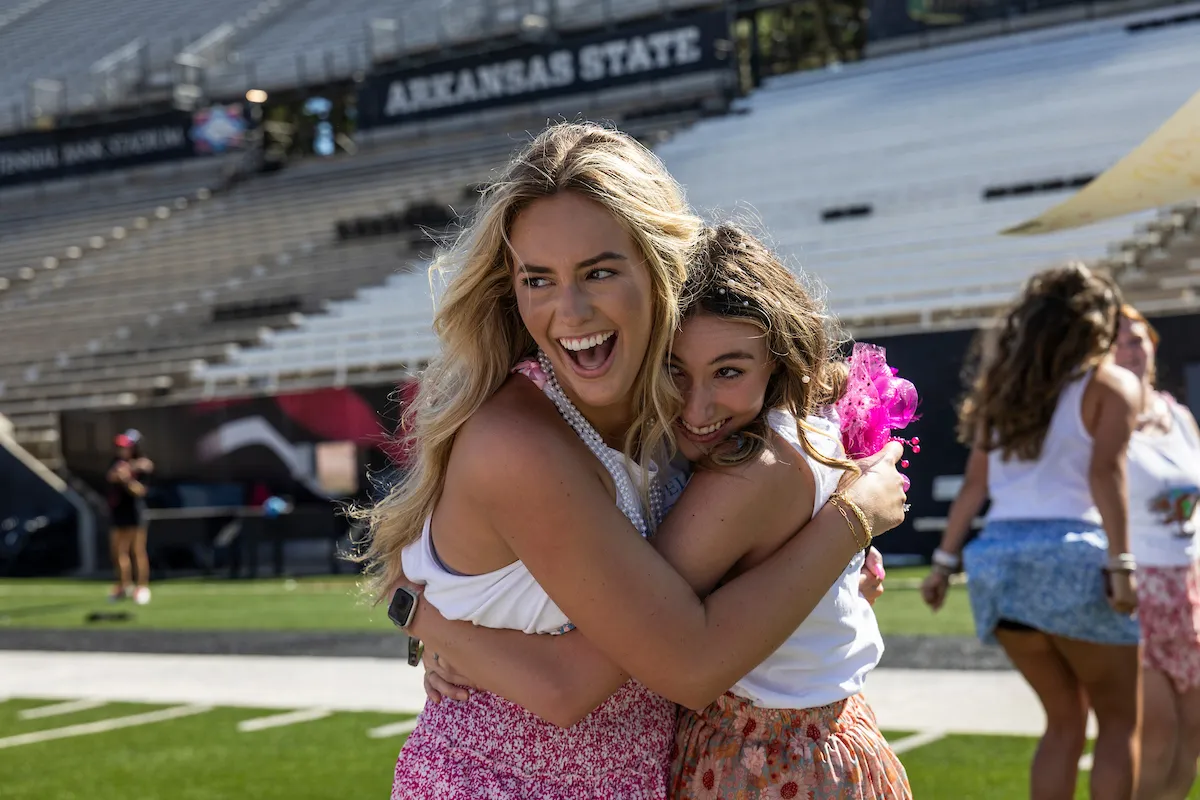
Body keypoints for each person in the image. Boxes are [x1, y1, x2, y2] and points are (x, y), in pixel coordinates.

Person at [354, 122, 909, 799]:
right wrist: (853, 522)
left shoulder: (669, 415)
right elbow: (669, 664)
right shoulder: (518, 443)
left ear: (660, 268)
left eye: (600, 271)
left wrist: (835, 568)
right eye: (538, 279)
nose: (571, 310)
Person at [920, 263, 1142, 800]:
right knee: (1119, 723)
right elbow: (1104, 474)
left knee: (1063, 722)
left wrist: (943, 565)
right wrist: (1123, 566)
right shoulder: (1112, 384)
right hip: (1073, 558)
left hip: (998, 564)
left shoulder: (1004, 389)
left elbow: (976, 486)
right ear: (1098, 324)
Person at [1113, 305, 1200, 800]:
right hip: (1135, 592)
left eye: (1138, 337)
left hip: (1187, 590)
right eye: (1119, 341)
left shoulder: (1181, 417)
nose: (1131, 348)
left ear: (1153, 344)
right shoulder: (1103, 423)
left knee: (1192, 737)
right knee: (1158, 732)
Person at [106, 429, 154, 605]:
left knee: (137, 551)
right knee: (118, 551)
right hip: (118, 511)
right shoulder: (118, 463)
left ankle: (142, 587)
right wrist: (121, 473)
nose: (122, 450)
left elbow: (140, 491)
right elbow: (110, 477)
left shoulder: (144, 465)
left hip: (134, 512)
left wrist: (127, 479)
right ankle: (124, 585)